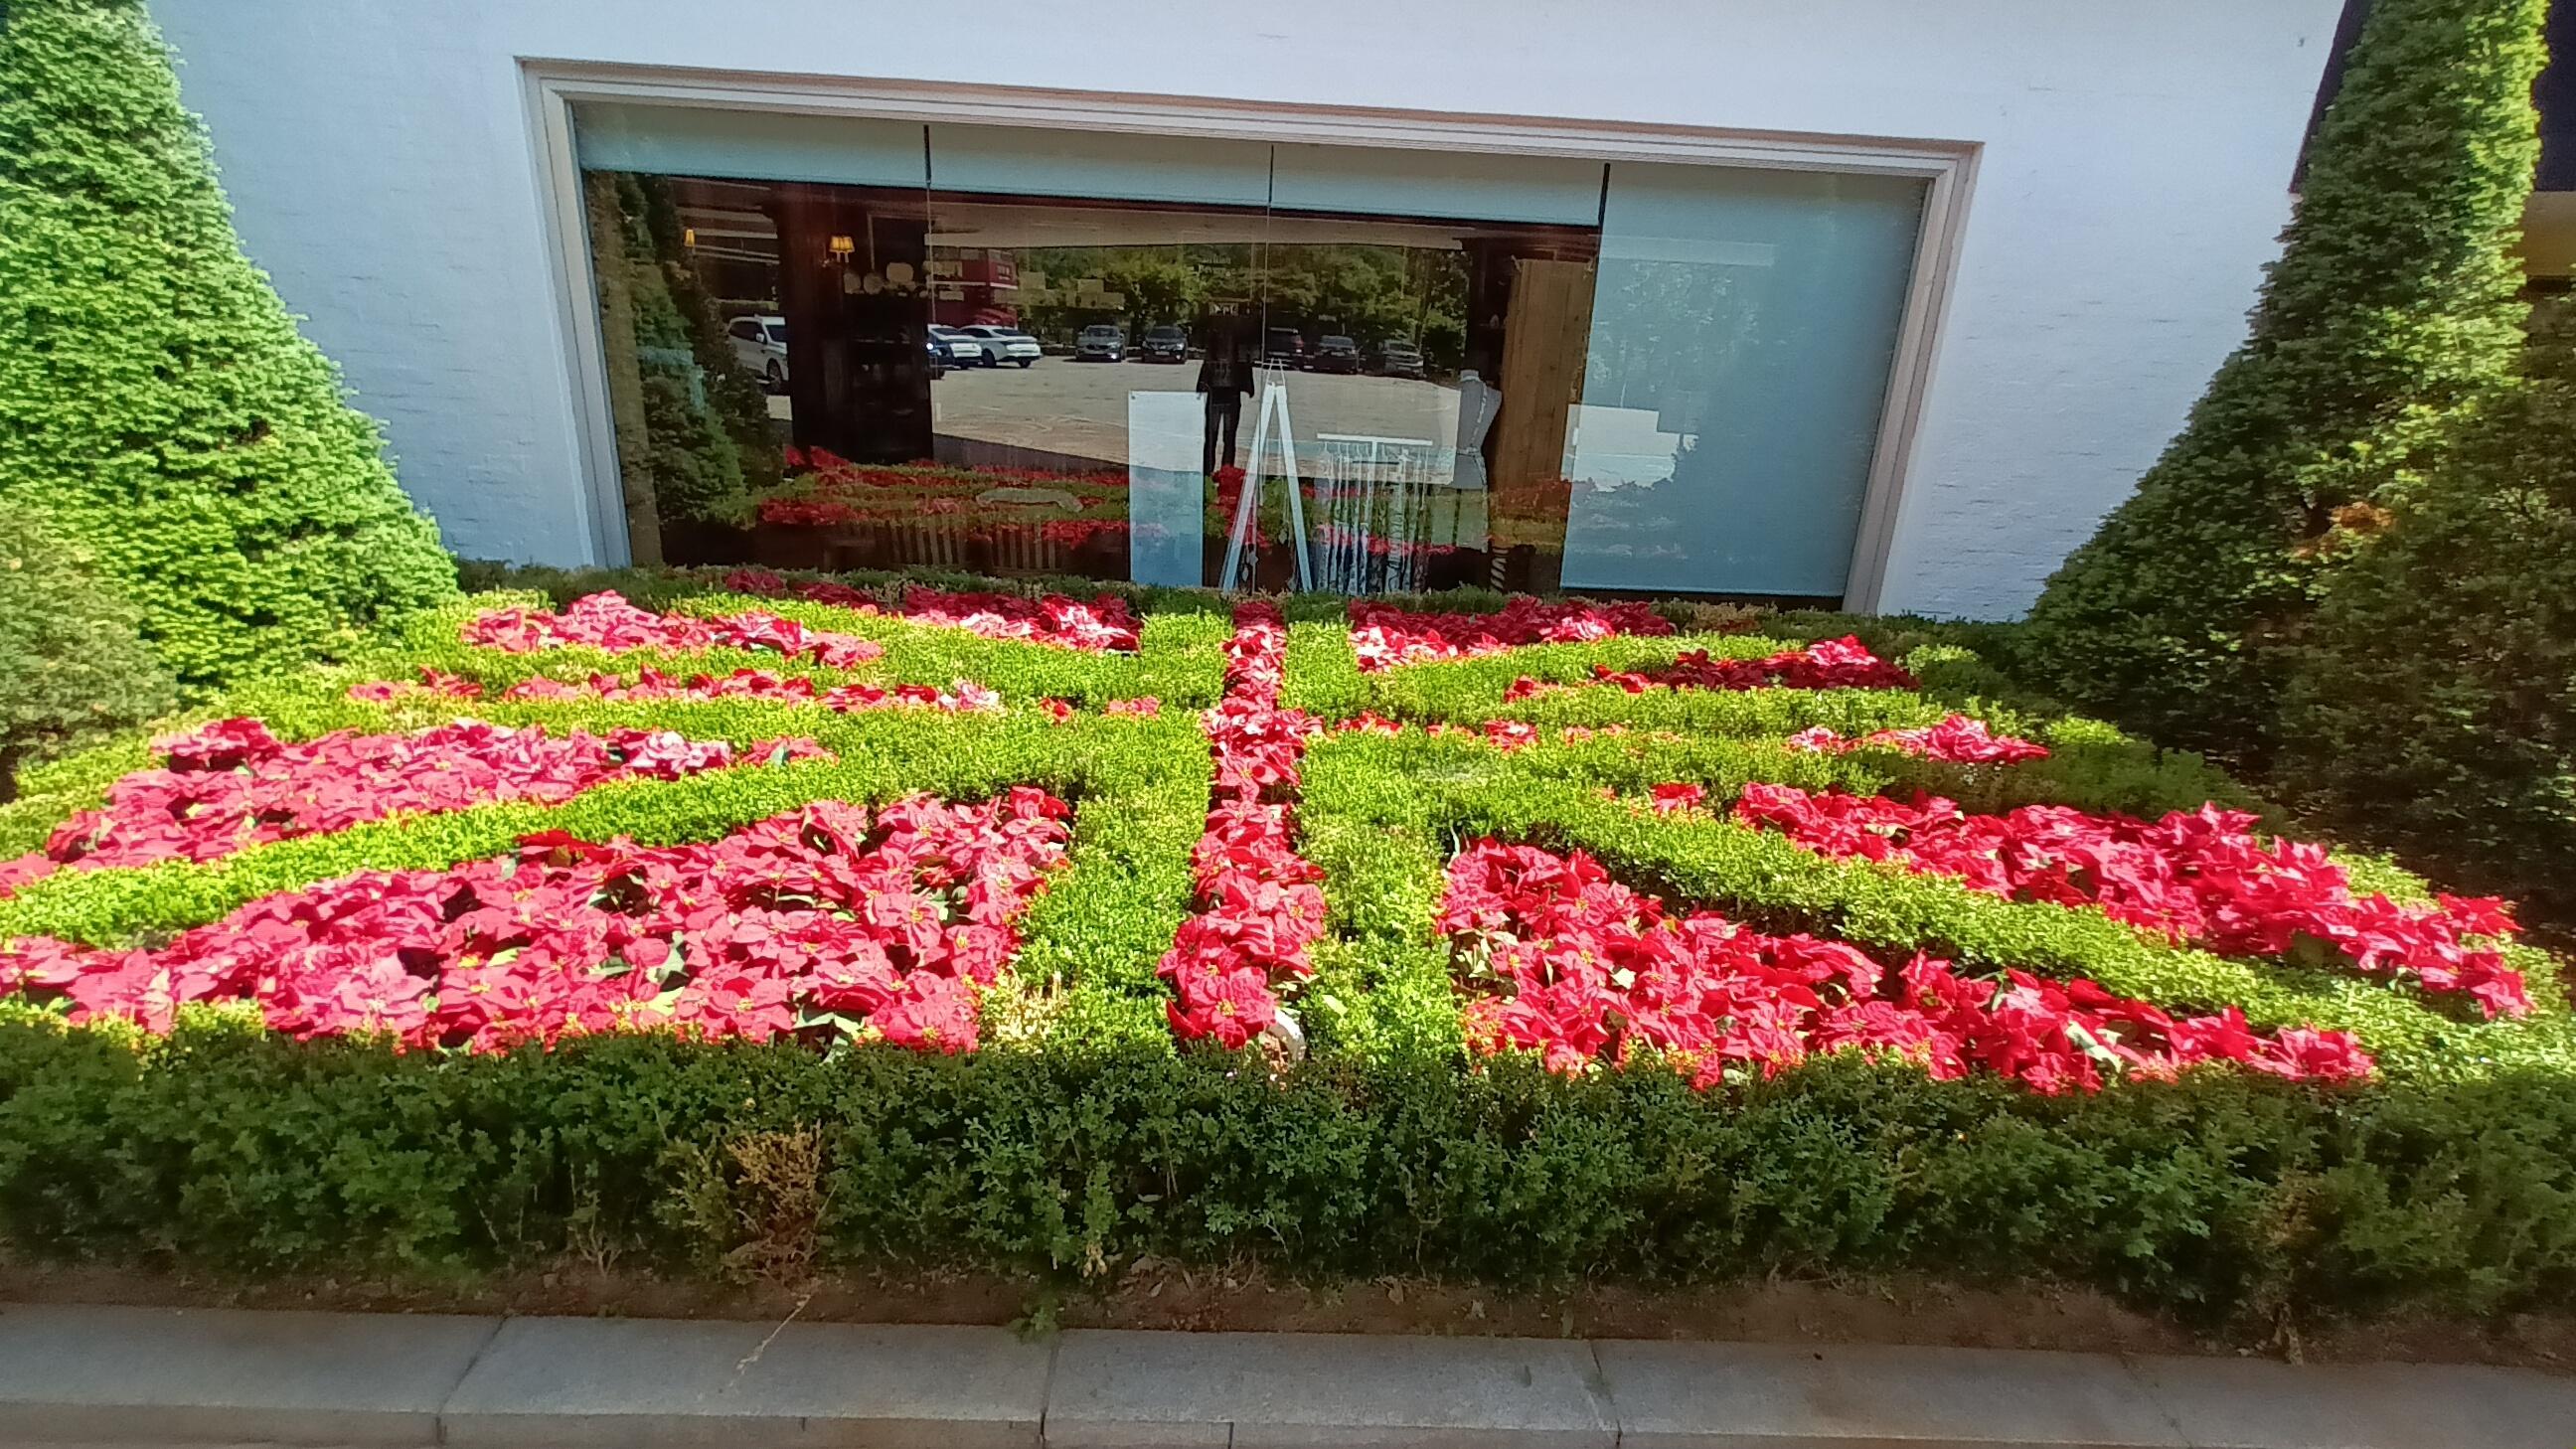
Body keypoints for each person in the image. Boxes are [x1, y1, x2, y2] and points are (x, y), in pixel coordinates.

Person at [1197, 309, 1256, 477]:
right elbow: (1207, 365)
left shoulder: (1238, 349)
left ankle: (1226, 472)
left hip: (1231, 393)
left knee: (1229, 436)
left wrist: (1247, 385)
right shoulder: (1214, 348)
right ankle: (1208, 472)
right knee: (1212, 435)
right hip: (1216, 393)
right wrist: (1202, 384)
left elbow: (1245, 363)